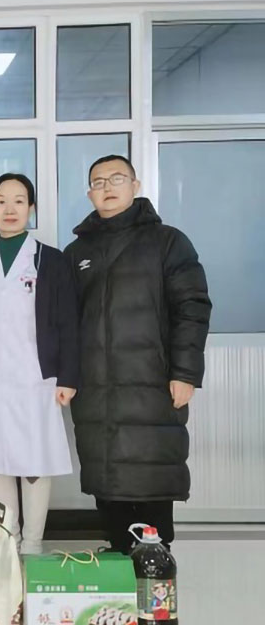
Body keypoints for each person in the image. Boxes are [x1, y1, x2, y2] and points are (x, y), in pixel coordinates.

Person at [66, 155, 211, 553]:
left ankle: (155, 572)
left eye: (116, 178)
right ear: (90, 193)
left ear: (135, 185)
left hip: (152, 384)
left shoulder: (168, 242)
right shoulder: (76, 252)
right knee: (107, 481)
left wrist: (185, 373)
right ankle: (118, 566)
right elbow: (65, 322)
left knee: (151, 479)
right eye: (98, 182)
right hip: (96, 389)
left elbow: (192, 308)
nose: (107, 188)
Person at [0, 174, 80, 554]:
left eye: (19, 201)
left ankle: (33, 543)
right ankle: (5, 543)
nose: (9, 209)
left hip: (35, 378)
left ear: (31, 208)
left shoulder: (51, 260)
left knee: (34, 460)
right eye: (1, 201)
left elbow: (69, 322)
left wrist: (68, 376)